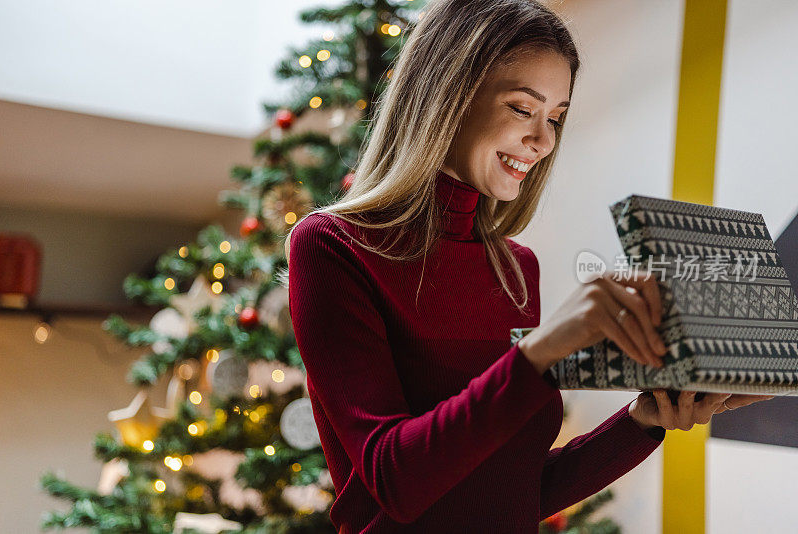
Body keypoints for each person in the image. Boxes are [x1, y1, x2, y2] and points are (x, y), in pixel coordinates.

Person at [284, 0, 774, 531]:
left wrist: (642, 421)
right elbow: (396, 478)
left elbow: (517, 491)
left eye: (556, 118)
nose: (543, 142)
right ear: (449, 95)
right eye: (523, 108)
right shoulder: (333, 246)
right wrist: (541, 355)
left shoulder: (516, 270)